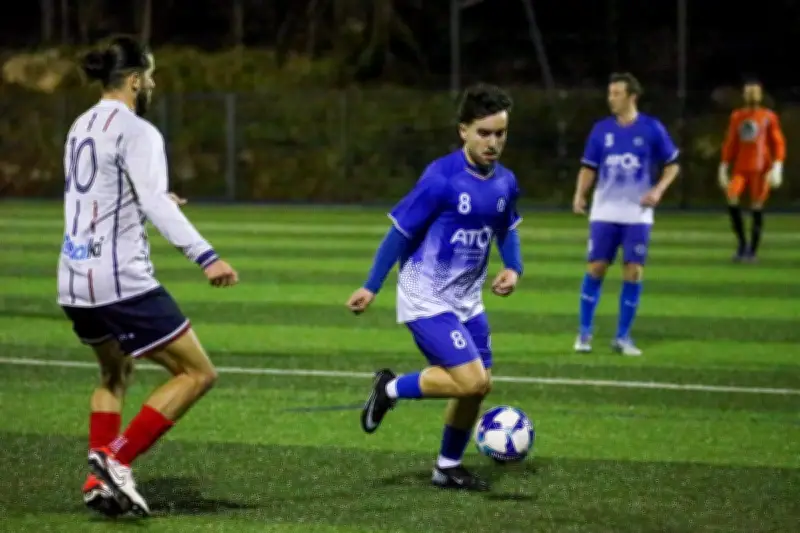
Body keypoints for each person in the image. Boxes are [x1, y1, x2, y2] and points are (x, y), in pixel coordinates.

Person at [59, 35, 238, 517]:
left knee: (114, 373)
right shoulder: (138, 131)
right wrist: (206, 257)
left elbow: (100, 194)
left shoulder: (81, 124)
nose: (154, 84)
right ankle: (115, 460)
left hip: (73, 279)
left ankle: (97, 480)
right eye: (151, 76)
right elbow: (155, 201)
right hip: (118, 280)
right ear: (135, 80)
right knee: (198, 373)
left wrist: (148, 200)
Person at [346, 83, 523, 492]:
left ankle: (447, 466)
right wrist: (371, 285)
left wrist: (513, 268)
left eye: (500, 133)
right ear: (463, 131)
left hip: (467, 299)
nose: (493, 142)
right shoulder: (441, 179)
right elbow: (399, 232)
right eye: (484, 133)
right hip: (425, 296)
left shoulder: (505, 182)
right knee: (471, 381)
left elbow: (507, 228)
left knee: (479, 387)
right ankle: (390, 388)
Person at [572, 72, 680, 356]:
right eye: (610, 93)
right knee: (596, 268)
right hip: (604, 211)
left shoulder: (651, 128)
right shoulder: (601, 130)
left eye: (617, 93)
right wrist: (580, 194)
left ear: (632, 96)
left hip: (638, 213)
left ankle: (622, 337)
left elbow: (672, 164)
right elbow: (589, 167)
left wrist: (658, 190)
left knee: (634, 271)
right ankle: (584, 333)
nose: (611, 99)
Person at [718, 79, 786, 262]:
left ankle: (752, 251)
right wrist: (724, 165)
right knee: (732, 198)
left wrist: (777, 165)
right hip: (741, 168)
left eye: (755, 92)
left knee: (757, 206)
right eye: (748, 92)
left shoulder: (768, 116)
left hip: (761, 169)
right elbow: (731, 142)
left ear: (760, 95)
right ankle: (742, 244)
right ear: (744, 95)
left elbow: (778, 142)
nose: (752, 95)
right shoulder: (737, 116)